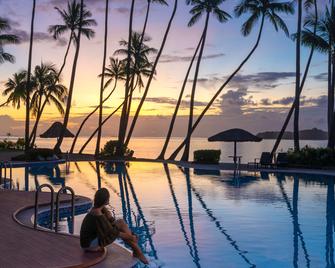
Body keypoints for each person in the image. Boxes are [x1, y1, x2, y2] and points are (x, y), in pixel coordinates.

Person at [80, 188, 149, 264]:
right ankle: (138, 252)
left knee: (121, 222)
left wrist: (109, 216)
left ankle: (137, 251)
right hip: (90, 245)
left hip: (89, 243)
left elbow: (110, 224)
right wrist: (131, 237)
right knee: (119, 228)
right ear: (106, 200)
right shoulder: (97, 214)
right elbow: (114, 233)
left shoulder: (97, 209)